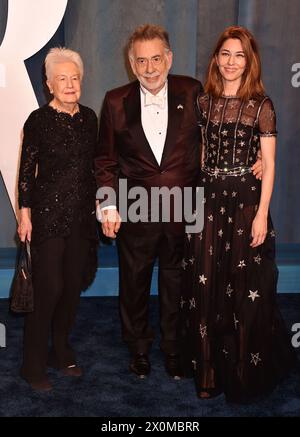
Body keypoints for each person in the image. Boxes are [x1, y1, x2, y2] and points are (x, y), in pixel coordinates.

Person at [95, 24, 262, 379]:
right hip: (135, 206)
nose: (150, 68)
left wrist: (257, 154)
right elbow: (105, 161)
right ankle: (138, 349)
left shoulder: (193, 90)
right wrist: (108, 205)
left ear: (169, 58)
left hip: (185, 207)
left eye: (157, 58)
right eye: (142, 61)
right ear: (131, 63)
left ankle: (173, 348)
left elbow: (224, 128)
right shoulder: (113, 100)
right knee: (134, 282)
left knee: (178, 284)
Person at [180, 26, 297, 402]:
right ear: (216, 59)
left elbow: (271, 164)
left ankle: (245, 372)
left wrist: (263, 214)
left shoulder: (261, 105)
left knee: (244, 289)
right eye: (225, 54)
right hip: (208, 201)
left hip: (245, 203)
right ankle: (208, 370)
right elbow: (201, 155)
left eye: (239, 55)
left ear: (250, 62)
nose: (231, 62)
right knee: (204, 284)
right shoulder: (204, 102)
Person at [17, 47, 98, 391]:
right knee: (48, 289)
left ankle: (61, 351)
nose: (69, 84)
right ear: (49, 84)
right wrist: (25, 214)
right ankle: (32, 363)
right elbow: (25, 172)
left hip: (82, 217)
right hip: (47, 217)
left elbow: (96, 169)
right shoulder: (38, 120)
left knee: (72, 287)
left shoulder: (90, 118)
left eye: (75, 78)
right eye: (62, 79)